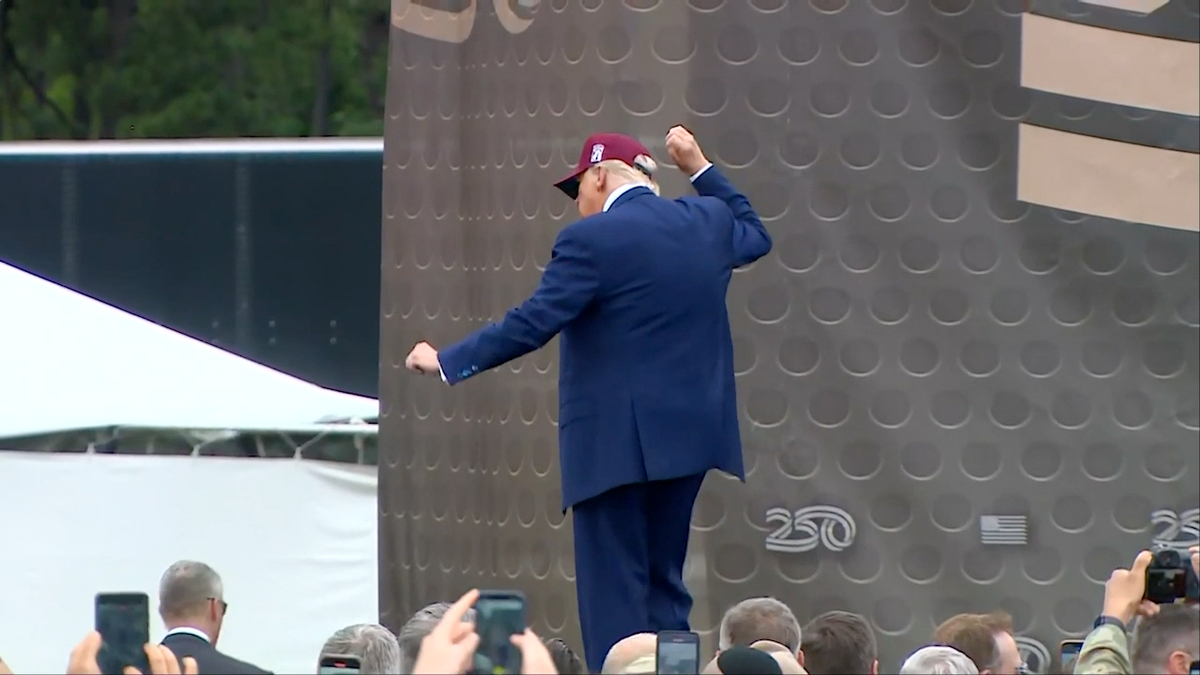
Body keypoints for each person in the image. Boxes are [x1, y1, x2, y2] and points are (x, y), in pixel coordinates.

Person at [404, 126, 772, 670]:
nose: (578, 202)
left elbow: (533, 322)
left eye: (578, 188)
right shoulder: (706, 221)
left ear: (599, 176)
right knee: (666, 588)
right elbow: (756, 234)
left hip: (614, 446)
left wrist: (447, 361)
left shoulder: (592, 240)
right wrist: (699, 167)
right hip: (690, 440)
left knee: (614, 599)